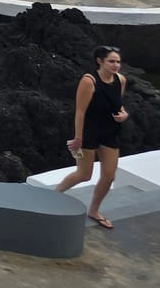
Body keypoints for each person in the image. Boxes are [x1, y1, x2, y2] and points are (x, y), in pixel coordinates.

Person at [54, 46, 130, 230]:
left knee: (109, 176)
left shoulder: (121, 80)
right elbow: (80, 112)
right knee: (84, 175)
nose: (115, 65)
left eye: (118, 61)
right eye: (111, 61)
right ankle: (53, 195)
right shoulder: (89, 81)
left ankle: (94, 210)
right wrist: (78, 138)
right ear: (100, 61)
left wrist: (124, 115)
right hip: (89, 134)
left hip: (110, 133)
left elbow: (118, 106)